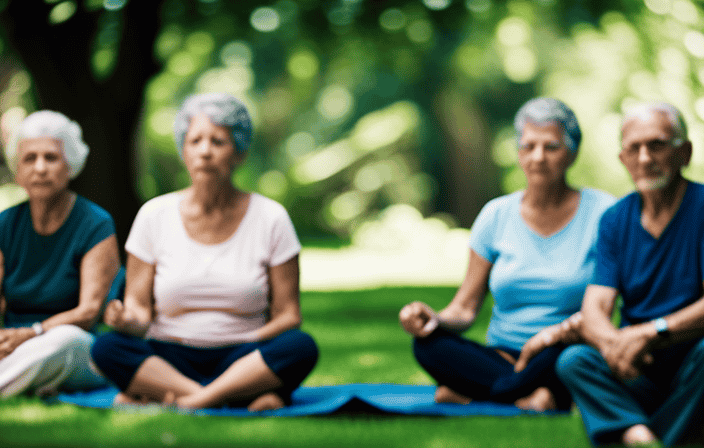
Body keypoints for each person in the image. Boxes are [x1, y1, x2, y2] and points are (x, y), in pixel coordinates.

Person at [91, 93, 318, 411]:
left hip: (242, 355)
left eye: (218, 141)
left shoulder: (271, 217)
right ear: (183, 151)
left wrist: (247, 343)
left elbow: (289, 316)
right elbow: (140, 311)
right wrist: (125, 319)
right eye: (195, 141)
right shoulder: (154, 215)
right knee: (107, 347)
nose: (205, 152)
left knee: (300, 347)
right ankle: (233, 395)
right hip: (170, 354)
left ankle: (187, 398)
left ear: (239, 152)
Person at [399, 98, 615, 411]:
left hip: (564, 349)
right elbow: (464, 308)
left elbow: (604, 307)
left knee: (569, 358)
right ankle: (528, 396)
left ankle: (474, 393)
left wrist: (553, 337)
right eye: (528, 147)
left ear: (573, 152)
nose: (538, 158)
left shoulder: (605, 213)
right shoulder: (495, 215)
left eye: (551, 147)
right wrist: (432, 319)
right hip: (499, 355)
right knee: (428, 346)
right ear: (518, 152)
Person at [556, 103, 704, 446]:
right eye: (633, 148)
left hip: (690, 358)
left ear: (685, 152)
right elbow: (595, 308)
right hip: (637, 364)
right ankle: (647, 434)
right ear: (622, 160)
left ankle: (636, 433)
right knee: (574, 360)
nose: (644, 158)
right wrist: (614, 346)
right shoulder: (614, 219)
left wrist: (652, 332)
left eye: (657, 145)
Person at [0, 110, 120, 397]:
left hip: (73, 345)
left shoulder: (96, 223)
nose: (40, 168)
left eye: (51, 158)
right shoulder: (5, 224)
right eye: (30, 159)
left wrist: (32, 333)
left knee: (62, 341)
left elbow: (88, 312)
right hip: (11, 341)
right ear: (18, 170)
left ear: (70, 166)